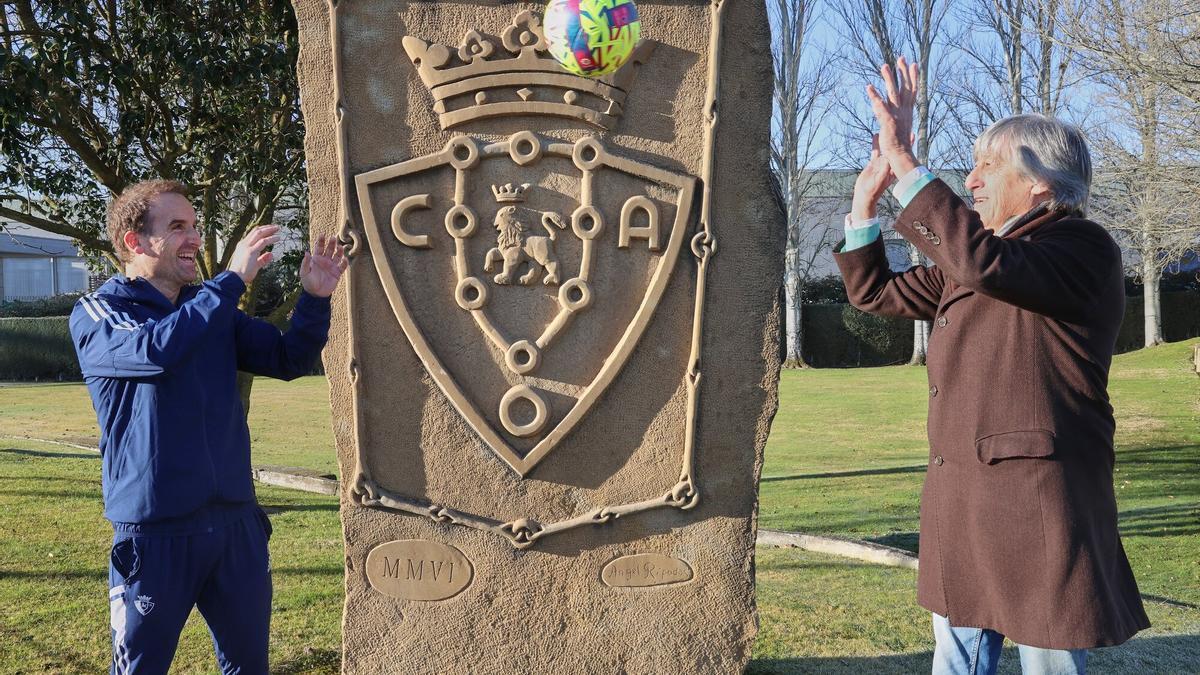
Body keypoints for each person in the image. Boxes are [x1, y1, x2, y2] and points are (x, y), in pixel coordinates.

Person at [834, 58, 1149, 675]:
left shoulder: (1080, 247)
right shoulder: (986, 253)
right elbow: (877, 294)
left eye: (988, 166)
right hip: (965, 498)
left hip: (1036, 501)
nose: (972, 180)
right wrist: (864, 203)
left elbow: (984, 265)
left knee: (1049, 661)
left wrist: (905, 161)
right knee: (957, 659)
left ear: (1039, 183)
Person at [70, 179, 346, 674]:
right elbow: (155, 351)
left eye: (195, 225)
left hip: (235, 528)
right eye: (177, 227)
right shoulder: (101, 312)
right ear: (134, 242)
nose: (194, 238)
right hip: (155, 536)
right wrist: (231, 281)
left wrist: (314, 298)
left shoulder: (209, 308)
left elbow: (289, 357)